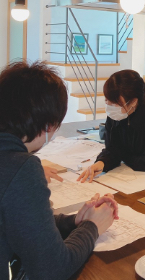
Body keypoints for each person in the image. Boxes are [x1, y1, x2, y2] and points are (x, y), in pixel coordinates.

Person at [0, 61, 118, 280]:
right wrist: (92, 226)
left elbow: (20, 223)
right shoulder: (21, 168)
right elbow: (53, 268)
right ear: (49, 124)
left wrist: (73, 222)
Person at [78, 70, 145, 183]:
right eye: (107, 100)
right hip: (138, 177)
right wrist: (101, 163)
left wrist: (121, 155)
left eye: (114, 102)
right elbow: (112, 149)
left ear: (133, 101)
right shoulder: (116, 115)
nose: (109, 106)